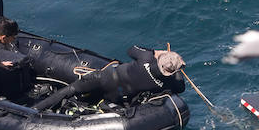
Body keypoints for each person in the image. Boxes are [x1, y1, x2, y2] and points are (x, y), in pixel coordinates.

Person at [32, 46, 186, 111]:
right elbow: (181, 87)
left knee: (70, 90)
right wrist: (178, 71)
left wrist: (155, 52)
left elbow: (131, 49)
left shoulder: (146, 58)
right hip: (117, 95)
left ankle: (36, 109)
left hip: (103, 78)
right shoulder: (165, 83)